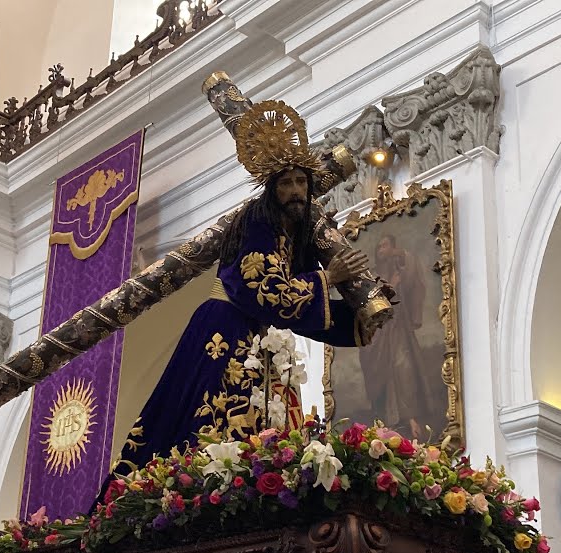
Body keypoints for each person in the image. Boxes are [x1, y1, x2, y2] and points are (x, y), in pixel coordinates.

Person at [97, 101, 372, 506]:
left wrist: (355, 322)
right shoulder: (257, 221)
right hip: (223, 329)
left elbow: (293, 310)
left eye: (301, 182)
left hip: (256, 337)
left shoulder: (296, 236)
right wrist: (327, 279)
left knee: (265, 425)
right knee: (199, 421)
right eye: (286, 183)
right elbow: (261, 289)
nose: (295, 191)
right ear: (272, 188)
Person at [358, 234, 440, 438]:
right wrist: (392, 286)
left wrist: (402, 255)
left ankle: (409, 418)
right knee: (386, 374)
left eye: (385, 246)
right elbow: (369, 305)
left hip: (398, 331)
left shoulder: (400, 270)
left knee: (403, 369)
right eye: (378, 247)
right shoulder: (374, 276)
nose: (381, 251)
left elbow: (414, 277)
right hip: (379, 334)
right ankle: (389, 422)